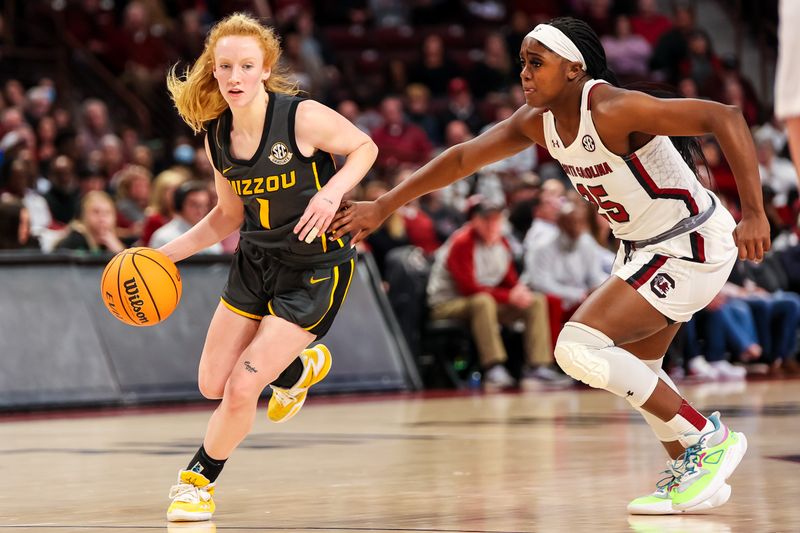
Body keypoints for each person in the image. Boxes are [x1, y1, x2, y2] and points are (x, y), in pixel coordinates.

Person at [330, 17, 770, 515]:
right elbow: (460, 159)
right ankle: (689, 472)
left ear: (573, 69)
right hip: (645, 246)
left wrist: (754, 213)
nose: (524, 73)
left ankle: (706, 442)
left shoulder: (612, 107)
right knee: (642, 373)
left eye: (536, 62)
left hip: (688, 241)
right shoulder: (536, 121)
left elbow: (726, 116)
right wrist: (384, 204)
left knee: (577, 347)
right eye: (522, 62)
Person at [159, 13, 377, 522]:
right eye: (225, 67)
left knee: (241, 388)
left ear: (265, 69)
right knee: (212, 383)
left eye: (246, 66)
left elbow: (365, 147)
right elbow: (227, 217)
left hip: (315, 266)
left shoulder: (299, 117)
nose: (234, 77)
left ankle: (196, 483)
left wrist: (330, 192)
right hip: (255, 260)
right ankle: (300, 369)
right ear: (213, 71)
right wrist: (161, 255)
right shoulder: (217, 137)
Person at [150, 180, 222, 253]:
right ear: (180, 205)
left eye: (204, 204)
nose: (200, 210)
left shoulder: (212, 234)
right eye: (194, 204)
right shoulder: (163, 237)